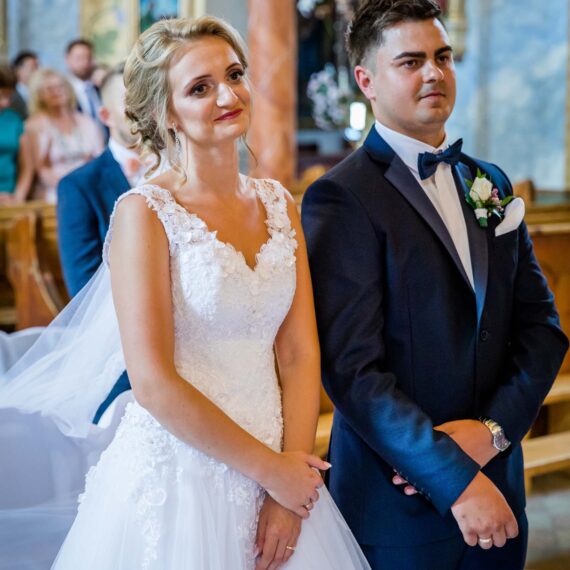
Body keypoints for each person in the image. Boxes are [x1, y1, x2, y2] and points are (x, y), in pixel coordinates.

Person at [0, 16, 370, 570]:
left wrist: (291, 473)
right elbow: (152, 383)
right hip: (184, 473)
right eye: (200, 87)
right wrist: (269, 471)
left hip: (281, 460)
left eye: (234, 74)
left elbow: (298, 352)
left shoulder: (279, 204)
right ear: (165, 113)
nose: (228, 95)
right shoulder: (145, 213)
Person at [301, 1, 569, 570]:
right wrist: (455, 477)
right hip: (398, 509)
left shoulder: (489, 182)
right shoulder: (341, 197)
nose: (434, 73)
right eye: (411, 61)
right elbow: (352, 372)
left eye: (442, 57)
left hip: (501, 487)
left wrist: (492, 434)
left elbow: (542, 332)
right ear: (367, 80)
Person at [57, 66, 145, 422]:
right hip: (118, 350)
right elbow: (82, 286)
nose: (145, 110)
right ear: (106, 115)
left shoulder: (186, 174)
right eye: (132, 102)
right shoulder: (79, 186)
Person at [24, 68, 104, 203]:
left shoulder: (87, 121)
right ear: (39, 95)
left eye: (60, 86)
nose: (57, 91)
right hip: (55, 192)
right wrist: (69, 187)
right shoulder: (35, 125)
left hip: (89, 186)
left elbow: (99, 159)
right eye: (49, 89)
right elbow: (41, 170)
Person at [0, 65, 34, 203]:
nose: (6, 103)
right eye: (1, 95)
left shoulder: (13, 119)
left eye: (9, 96)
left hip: (10, 197)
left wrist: (18, 197)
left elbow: (27, 167)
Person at [10, 50, 39, 119]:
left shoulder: (41, 93)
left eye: (37, 67)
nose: (37, 72)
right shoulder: (10, 95)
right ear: (18, 70)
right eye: (32, 68)